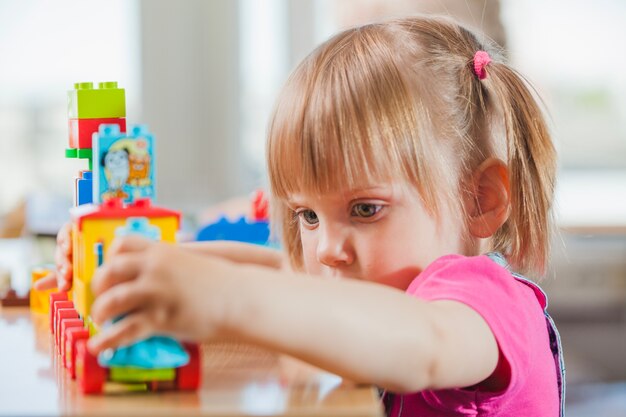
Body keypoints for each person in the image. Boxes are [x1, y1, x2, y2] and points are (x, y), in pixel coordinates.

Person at [38, 16, 564, 417]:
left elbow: (422, 346)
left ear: (480, 201)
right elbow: (278, 273)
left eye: (365, 209)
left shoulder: (483, 303)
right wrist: (149, 265)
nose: (327, 248)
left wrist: (223, 298)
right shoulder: (385, 286)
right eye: (308, 216)